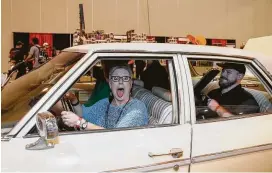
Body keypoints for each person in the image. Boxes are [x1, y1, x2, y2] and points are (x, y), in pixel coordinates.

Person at [60, 65, 149, 130]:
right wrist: (74, 100)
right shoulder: (106, 103)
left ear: (130, 84)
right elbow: (84, 114)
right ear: (110, 84)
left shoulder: (137, 109)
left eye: (125, 78)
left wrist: (79, 122)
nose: (120, 82)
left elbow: (116, 137)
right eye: (115, 79)